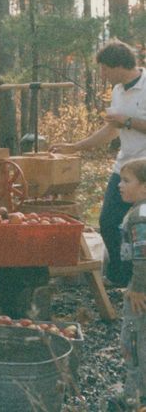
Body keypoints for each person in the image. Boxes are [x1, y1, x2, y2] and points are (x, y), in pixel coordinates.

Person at [51, 40, 146, 287]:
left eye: (104, 69)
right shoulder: (118, 90)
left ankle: (139, 281)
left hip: (145, 169)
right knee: (109, 221)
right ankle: (119, 276)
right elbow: (111, 130)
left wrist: (127, 121)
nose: (101, 74)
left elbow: (122, 123)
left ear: (119, 66)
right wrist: (76, 147)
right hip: (124, 167)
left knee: (141, 224)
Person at [113, 158, 146, 408]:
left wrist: (137, 288)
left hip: (140, 293)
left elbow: (143, 256)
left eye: (126, 181)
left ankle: (133, 398)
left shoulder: (140, 216)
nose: (119, 185)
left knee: (133, 342)